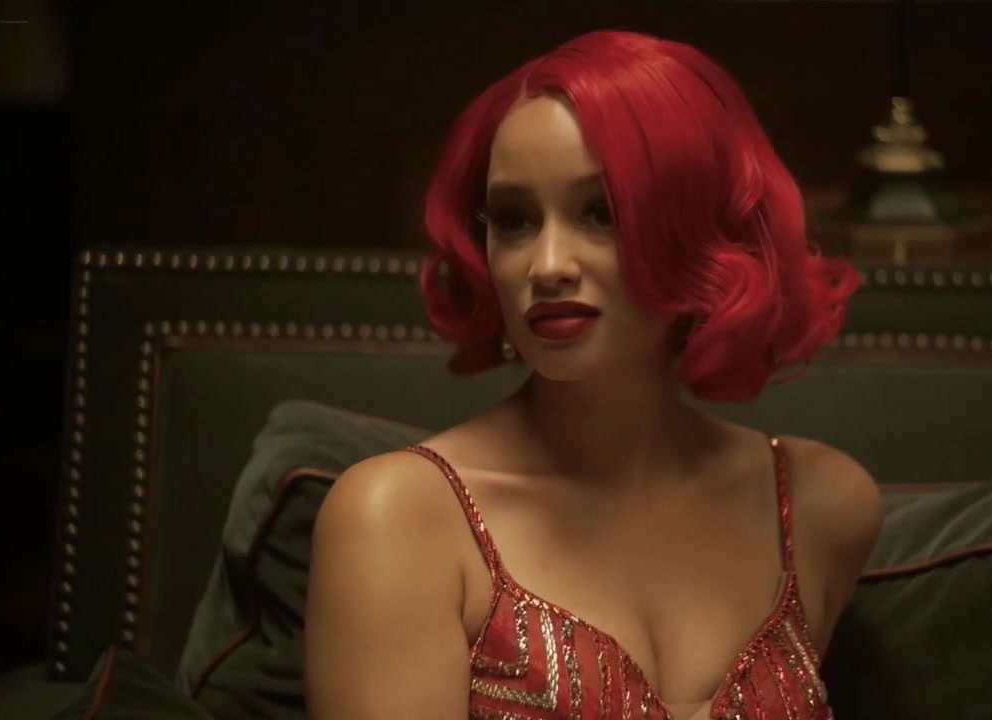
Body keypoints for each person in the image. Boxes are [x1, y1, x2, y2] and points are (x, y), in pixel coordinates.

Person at [305, 29, 882, 720]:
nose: (547, 265)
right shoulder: (396, 520)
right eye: (513, 220)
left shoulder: (823, 507)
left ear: (702, 233)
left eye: (601, 213)